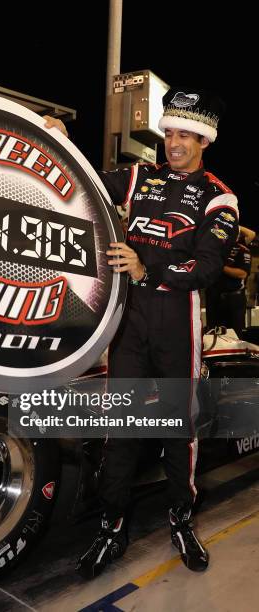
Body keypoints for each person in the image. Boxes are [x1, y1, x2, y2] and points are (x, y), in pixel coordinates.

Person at [44, 86, 239, 577]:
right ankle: (111, 525)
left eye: (187, 134)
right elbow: (79, 180)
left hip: (177, 320)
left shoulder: (220, 196)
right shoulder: (139, 176)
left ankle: (180, 517)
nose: (174, 142)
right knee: (120, 427)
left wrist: (145, 269)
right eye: (169, 131)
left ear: (205, 139)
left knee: (179, 426)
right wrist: (59, 143)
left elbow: (208, 267)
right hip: (128, 320)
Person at [206, 227, 253, 337]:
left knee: (235, 335)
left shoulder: (242, 249)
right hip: (213, 298)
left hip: (233, 300)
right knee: (212, 334)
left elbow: (242, 273)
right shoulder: (213, 249)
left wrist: (220, 267)